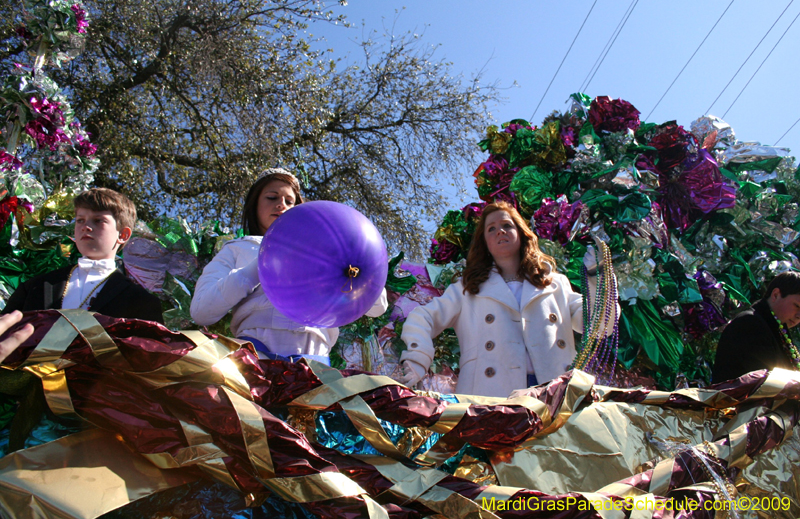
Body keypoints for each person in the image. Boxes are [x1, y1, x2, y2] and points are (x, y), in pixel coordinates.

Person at [399, 201, 615, 397]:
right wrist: (418, 356)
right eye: (491, 229)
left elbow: (600, 325)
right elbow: (423, 317)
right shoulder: (467, 289)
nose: (500, 231)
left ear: (521, 233)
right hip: (490, 398)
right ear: (485, 242)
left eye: (507, 225)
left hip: (557, 395)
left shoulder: (555, 284)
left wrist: (597, 277)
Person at [190, 168, 388, 364]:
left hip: (314, 362)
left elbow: (378, 307)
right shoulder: (237, 248)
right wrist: (257, 268)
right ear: (255, 204)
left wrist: (356, 263)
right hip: (253, 358)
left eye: (289, 201)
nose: (281, 205)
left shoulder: (324, 250)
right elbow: (201, 311)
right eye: (272, 197)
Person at [3, 188, 163, 322]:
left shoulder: (141, 302)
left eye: (98, 220)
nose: (86, 226)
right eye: (80, 220)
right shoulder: (34, 288)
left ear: (123, 235)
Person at [712, 271, 800, 383]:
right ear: (776, 295)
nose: (799, 316)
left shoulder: (777, 328)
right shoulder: (750, 324)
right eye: (797, 306)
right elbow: (765, 382)